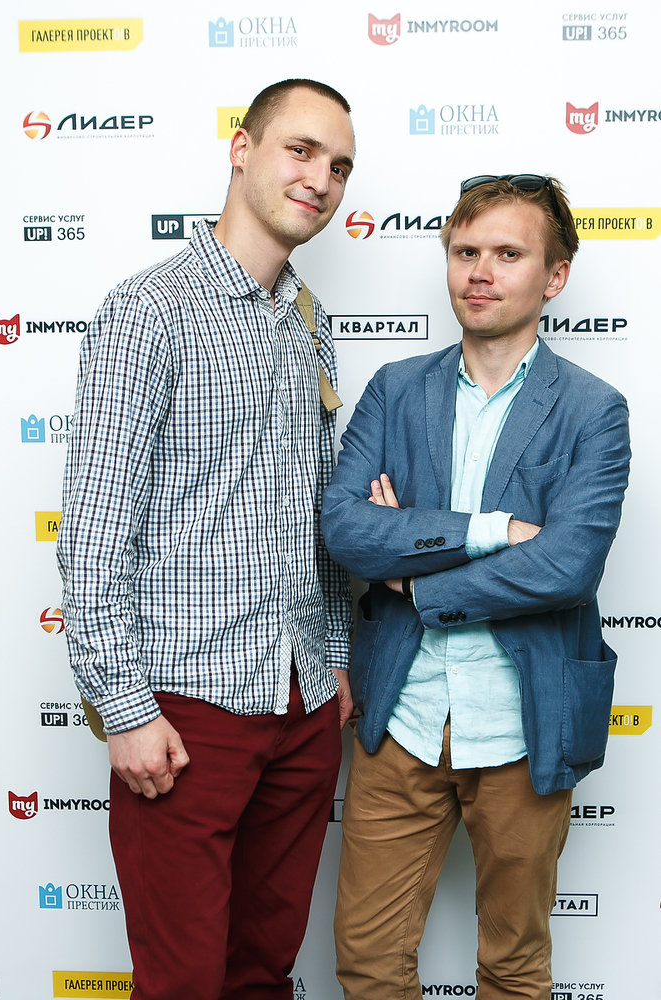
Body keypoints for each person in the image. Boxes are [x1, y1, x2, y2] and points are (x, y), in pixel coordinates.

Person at [57, 78, 355, 1000]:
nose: (320, 179)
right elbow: (94, 528)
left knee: (262, 973)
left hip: (302, 700)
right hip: (186, 710)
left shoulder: (308, 322)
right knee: (181, 982)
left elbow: (315, 513)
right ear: (241, 148)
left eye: (339, 166)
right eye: (300, 150)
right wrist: (124, 708)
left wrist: (336, 659)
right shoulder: (150, 310)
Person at [322, 175, 630, 1000]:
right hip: (403, 716)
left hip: (523, 721)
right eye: (464, 252)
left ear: (554, 276)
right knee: (368, 960)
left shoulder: (593, 410)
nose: (479, 272)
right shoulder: (395, 388)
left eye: (506, 254)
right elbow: (345, 528)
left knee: (514, 964)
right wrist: (491, 530)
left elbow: (567, 566)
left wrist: (414, 581)